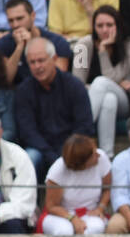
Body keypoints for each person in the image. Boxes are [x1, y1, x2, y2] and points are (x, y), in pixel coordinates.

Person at [14, 37, 97, 176]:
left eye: (41, 60)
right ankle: (29, 198)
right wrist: (51, 155)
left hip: (72, 148)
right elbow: (27, 132)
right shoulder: (23, 91)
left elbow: (84, 125)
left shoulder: (74, 85)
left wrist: (66, 152)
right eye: (32, 62)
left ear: (54, 59)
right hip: (40, 150)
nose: (37, 66)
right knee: (30, 157)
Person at [73, 5, 130, 154]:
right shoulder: (82, 47)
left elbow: (111, 77)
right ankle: (107, 155)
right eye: (100, 25)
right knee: (108, 98)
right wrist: (113, 84)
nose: (104, 30)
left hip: (126, 101)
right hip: (98, 98)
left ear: (118, 25)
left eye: (109, 25)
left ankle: (81, 131)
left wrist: (103, 51)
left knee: (101, 82)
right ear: (94, 27)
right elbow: (77, 85)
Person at [40, 133, 110, 235]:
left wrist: (100, 208)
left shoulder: (101, 158)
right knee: (64, 232)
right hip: (61, 215)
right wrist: (73, 219)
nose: (98, 155)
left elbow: (107, 189)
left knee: (95, 228)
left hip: (90, 213)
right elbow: (52, 206)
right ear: (82, 162)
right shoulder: (57, 170)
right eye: (93, 154)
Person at [0, 0, 70, 85]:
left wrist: (32, 45)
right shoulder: (3, 43)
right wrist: (19, 48)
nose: (15, 25)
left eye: (20, 18)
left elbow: (58, 79)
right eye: (11, 21)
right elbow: (5, 80)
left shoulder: (57, 42)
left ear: (33, 16)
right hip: (17, 93)